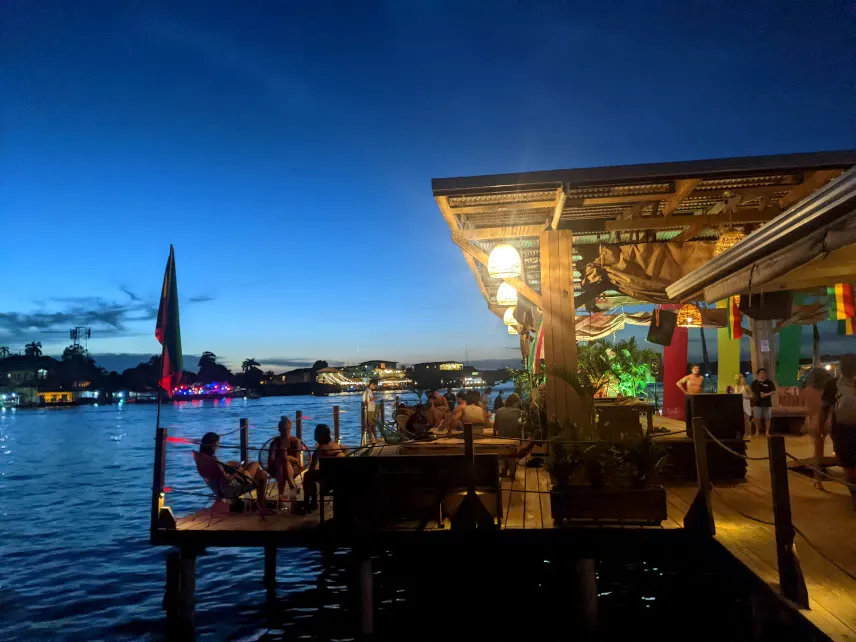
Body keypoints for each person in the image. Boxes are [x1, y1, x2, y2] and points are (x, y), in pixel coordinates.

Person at [197, 432, 272, 513]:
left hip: (219, 488)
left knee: (260, 473)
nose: (218, 446)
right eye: (217, 443)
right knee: (257, 467)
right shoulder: (214, 461)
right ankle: (261, 505)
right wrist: (237, 472)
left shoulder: (202, 459)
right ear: (212, 445)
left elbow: (219, 473)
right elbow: (228, 479)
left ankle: (260, 503)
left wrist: (228, 467)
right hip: (230, 489)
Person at [822, 354, 856, 506]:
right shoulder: (834, 384)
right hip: (842, 429)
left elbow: (824, 407)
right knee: (848, 464)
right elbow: (825, 406)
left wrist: (820, 424)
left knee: (848, 465)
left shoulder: (833, 384)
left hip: (841, 429)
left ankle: (854, 495)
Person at [303, 424, 347, 511]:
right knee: (310, 475)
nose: (314, 434)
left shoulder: (319, 450)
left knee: (307, 475)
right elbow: (346, 448)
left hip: (329, 481)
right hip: (342, 477)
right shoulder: (336, 446)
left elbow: (312, 469)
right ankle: (311, 503)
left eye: (315, 433)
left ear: (320, 436)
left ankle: (311, 502)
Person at [803, 368, 830, 489]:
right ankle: (818, 479)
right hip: (824, 421)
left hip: (812, 422)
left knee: (818, 452)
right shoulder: (826, 391)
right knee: (820, 452)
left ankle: (817, 479)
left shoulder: (807, 391)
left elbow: (807, 409)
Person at [267, 417, 303, 506]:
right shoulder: (275, 442)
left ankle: (282, 501)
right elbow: (271, 460)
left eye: (287, 429)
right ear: (279, 430)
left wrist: (287, 457)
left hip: (293, 467)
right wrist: (284, 459)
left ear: (290, 428)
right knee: (282, 465)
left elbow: (297, 460)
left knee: (283, 465)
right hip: (277, 467)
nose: (286, 431)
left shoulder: (296, 441)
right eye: (284, 429)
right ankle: (293, 499)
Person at [750, 368, 776, 437]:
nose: (763, 374)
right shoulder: (754, 383)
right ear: (758, 374)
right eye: (761, 373)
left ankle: (767, 432)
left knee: (767, 418)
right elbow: (752, 392)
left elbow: (774, 392)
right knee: (756, 418)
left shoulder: (769, 382)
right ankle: (757, 431)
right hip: (757, 403)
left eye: (764, 373)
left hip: (767, 403)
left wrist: (766, 394)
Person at [362, 379, 379, 444]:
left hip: (372, 408)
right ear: (372, 384)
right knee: (370, 425)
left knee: (373, 424)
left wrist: (373, 399)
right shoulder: (367, 391)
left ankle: (375, 438)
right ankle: (371, 439)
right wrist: (373, 399)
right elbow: (365, 401)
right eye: (375, 386)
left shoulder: (369, 391)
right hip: (369, 409)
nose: (375, 387)